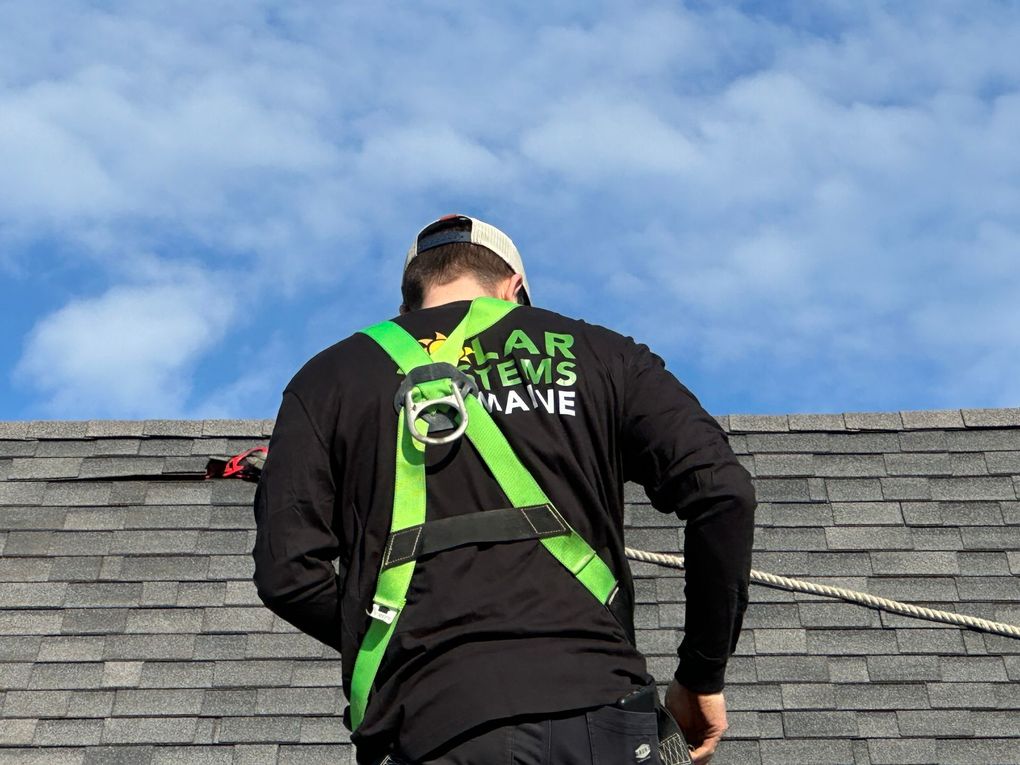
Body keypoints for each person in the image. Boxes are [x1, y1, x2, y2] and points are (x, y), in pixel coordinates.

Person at [252, 214, 757, 764]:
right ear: (515, 291)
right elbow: (723, 493)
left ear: (408, 305)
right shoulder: (604, 355)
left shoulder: (328, 378)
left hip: (433, 726)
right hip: (602, 711)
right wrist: (701, 674)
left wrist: (406, 649)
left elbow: (288, 576)